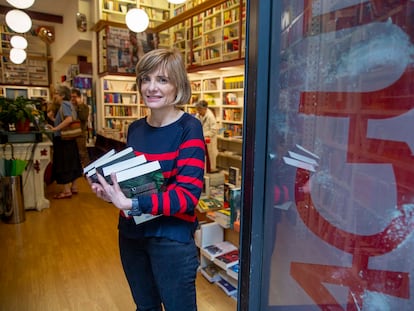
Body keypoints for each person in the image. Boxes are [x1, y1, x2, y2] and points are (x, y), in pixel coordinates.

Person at [89, 48, 205, 311]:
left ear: (178, 85)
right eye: (145, 79)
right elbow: (136, 185)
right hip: (131, 234)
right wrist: (111, 194)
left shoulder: (189, 127)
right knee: (145, 307)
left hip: (171, 239)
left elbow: (187, 197)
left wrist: (131, 204)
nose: (151, 88)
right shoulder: (135, 129)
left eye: (162, 80)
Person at [49, 85, 83, 199]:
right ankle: (74, 187)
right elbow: (67, 120)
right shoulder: (70, 105)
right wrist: (53, 120)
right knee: (72, 162)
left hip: (63, 140)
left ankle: (66, 190)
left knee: (63, 163)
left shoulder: (64, 104)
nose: (55, 96)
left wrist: (55, 128)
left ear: (62, 95)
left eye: (57, 94)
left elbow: (69, 119)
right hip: (69, 139)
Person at [195, 100, 218, 172]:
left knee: (210, 159)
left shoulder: (210, 116)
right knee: (203, 158)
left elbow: (214, 130)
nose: (198, 111)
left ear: (205, 109)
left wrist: (203, 134)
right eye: (197, 110)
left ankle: (211, 172)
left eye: (200, 110)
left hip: (209, 140)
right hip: (202, 139)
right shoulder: (198, 115)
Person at [71, 88, 90, 167]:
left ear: (79, 97)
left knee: (82, 153)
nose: (72, 99)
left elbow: (83, 117)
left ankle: (87, 171)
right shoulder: (69, 107)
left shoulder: (84, 107)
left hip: (80, 135)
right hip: (70, 134)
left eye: (74, 97)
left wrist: (80, 106)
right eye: (71, 97)